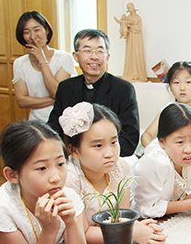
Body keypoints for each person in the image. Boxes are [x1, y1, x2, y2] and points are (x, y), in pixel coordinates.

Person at [61, 102, 167, 244]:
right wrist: (131, 233)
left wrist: (137, 226)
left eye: (113, 142)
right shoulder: (69, 179)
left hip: (111, 243)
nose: (109, 153)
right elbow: (82, 234)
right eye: (98, 145)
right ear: (74, 151)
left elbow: (122, 217)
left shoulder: (121, 167)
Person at [0, 120, 90, 244]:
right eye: (41, 168)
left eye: (60, 164)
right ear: (13, 175)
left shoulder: (68, 197)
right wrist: (49, 230)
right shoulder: (2, 208)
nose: (56, 178)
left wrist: (71, 222)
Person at [47, 29, 140, 157]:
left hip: (108, 158)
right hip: (71, 157)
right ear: (75, 56)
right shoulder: (65, 87)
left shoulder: (123, 89)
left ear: (107, 57)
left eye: (100, 51)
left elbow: (129, 139)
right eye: (87, 50)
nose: (94, 57)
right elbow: (54, 129)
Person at [132, 103, 191, 219]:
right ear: (162, 142)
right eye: (180, 142)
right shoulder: (156, 162)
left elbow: (179, 195)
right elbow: (144, 209)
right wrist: (189, 204)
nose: (189, 149)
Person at [13, 11, 77, 122]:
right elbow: (21, 101)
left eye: (37, 30)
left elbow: (56, 92)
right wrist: (54, 99)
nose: (33, 36)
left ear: (46, 30)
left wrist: (42, 60)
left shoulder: (63, 58)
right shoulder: (20, 63)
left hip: (63, 121)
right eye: (26, 32)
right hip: (36, 123)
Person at [141, 61, 191, 147]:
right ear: (170, 87)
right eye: (176, 82)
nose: (182, 88)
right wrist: (157, 153)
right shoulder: (167, 109)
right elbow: (146, 135)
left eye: (188, 82)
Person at [121, 2, 148, 82]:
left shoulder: (138, 18)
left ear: (133, 7)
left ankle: (138, 74)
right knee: (130, 54)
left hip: (137, 39)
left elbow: (139, 28)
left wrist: (131, 26)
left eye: (130, 7)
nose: (129, 9)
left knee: (137, 54)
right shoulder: (128, 18)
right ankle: (130, 74)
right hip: (130, 39)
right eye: (128, 8)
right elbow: (124, 26)